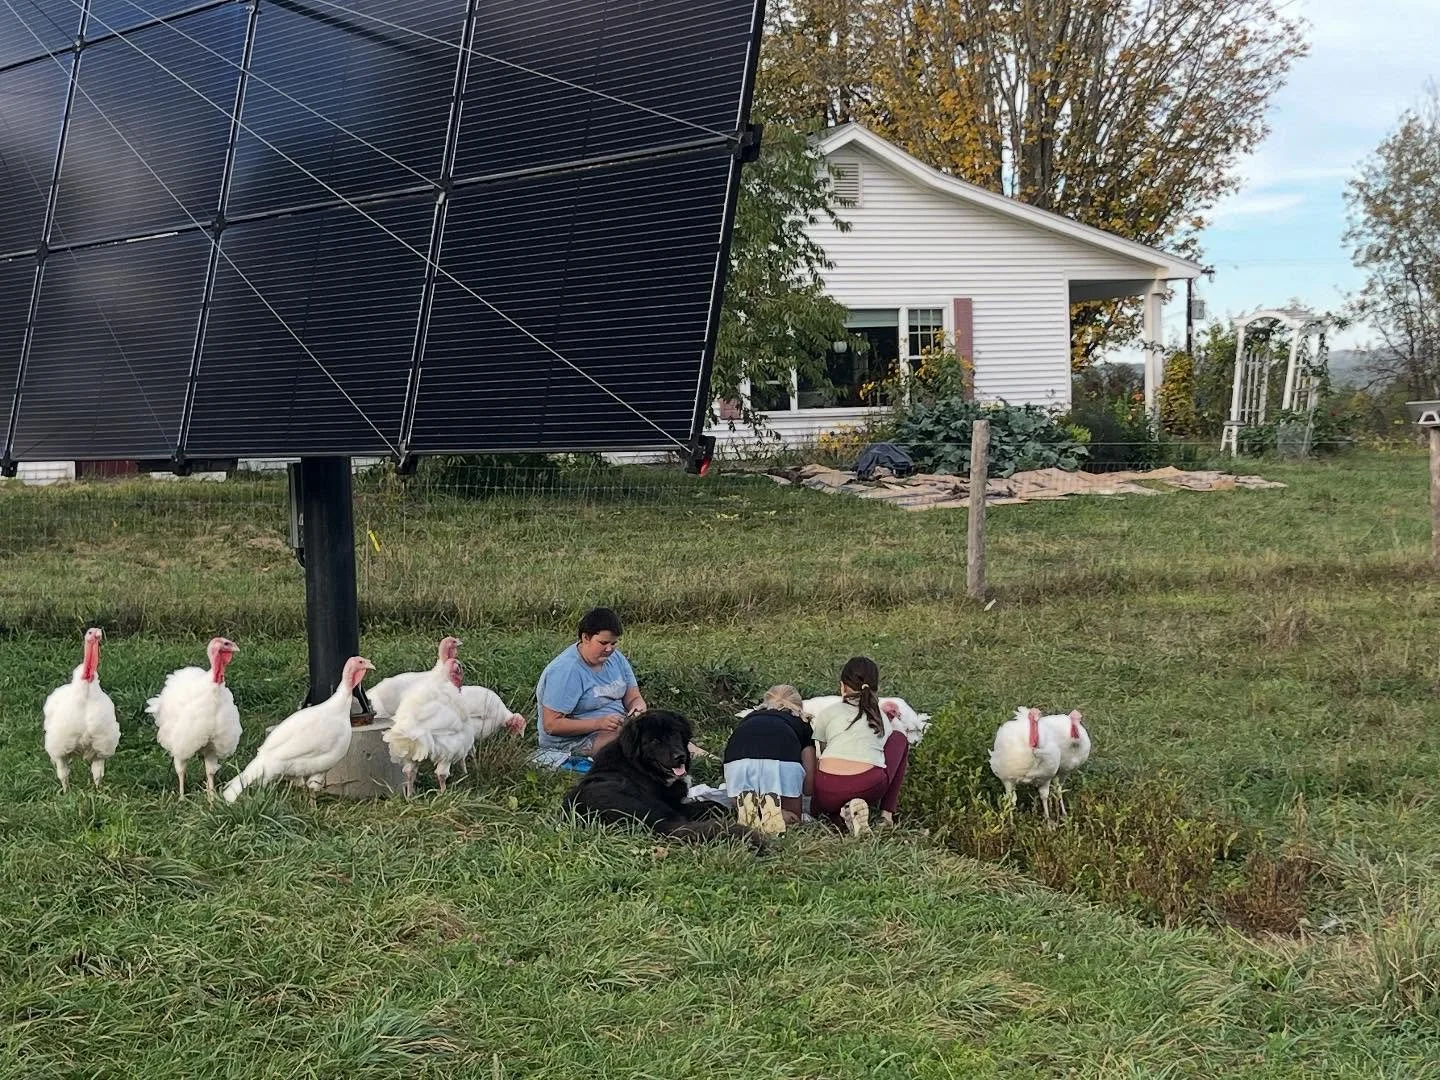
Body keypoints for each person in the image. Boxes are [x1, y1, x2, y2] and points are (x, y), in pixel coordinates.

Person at [809, 656, 909, 835]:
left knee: (826, 770)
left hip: (826, 789)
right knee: (900, 739)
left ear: (842, 686)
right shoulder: (880, 717)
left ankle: (837, 817)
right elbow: (883, 754)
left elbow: (822, 752)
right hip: (866, 786)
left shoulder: (827, 713)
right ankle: (886, 815)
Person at [536, 608, 646, 758]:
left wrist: (637, 709)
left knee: (666, 733)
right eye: (603, 643)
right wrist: (598, 723)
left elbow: (633, 697)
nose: (609, 649)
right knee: (636, 744)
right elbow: (551, 725)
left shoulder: (617, 658)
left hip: (619, 727)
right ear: (586, 638)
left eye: (614, 643)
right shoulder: (566, 670)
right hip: (577, 740)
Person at [722, 685, 816, 837]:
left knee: (740, 800)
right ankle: (778, 814)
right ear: (798, 705)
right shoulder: (800, 723)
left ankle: (754, 810)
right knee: (794, 817)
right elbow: (809, 781)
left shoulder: (749, 718)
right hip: (781, 762)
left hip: (737, 763)